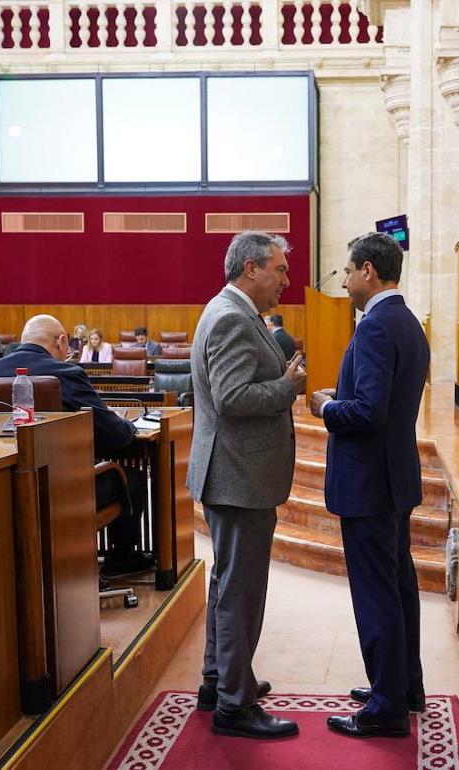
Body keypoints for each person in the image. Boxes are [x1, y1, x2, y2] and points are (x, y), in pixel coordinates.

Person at [309, 232, 430, 739]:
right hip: (393, 477)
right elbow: (385, 397)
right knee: (399, 586)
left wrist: (326, 407)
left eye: (347, 272)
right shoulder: (408, 323)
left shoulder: (378, 326)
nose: (344, 282)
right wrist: (346, 394)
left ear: (368, 272)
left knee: (377, 593)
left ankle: (385, 708)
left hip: (370, 485)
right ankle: (404, 686)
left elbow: (369, 410)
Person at [188, 231, 306, 739]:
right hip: (238, 476)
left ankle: (220, 681)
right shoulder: (233, 316)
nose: (286, 279)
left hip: (234, 472)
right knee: (241, 592)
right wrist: (288, 387)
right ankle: (235, 706)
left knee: (227, 585)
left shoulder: (230, 310)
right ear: (251, 268)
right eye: (279, 269)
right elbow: (233, 397)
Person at [0, 315, 148, 572]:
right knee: (131, 479)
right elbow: (114, 435)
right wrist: (128, 425)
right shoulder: (65, 373)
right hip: (61, 489)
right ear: (60, 341)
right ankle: (122, 560)